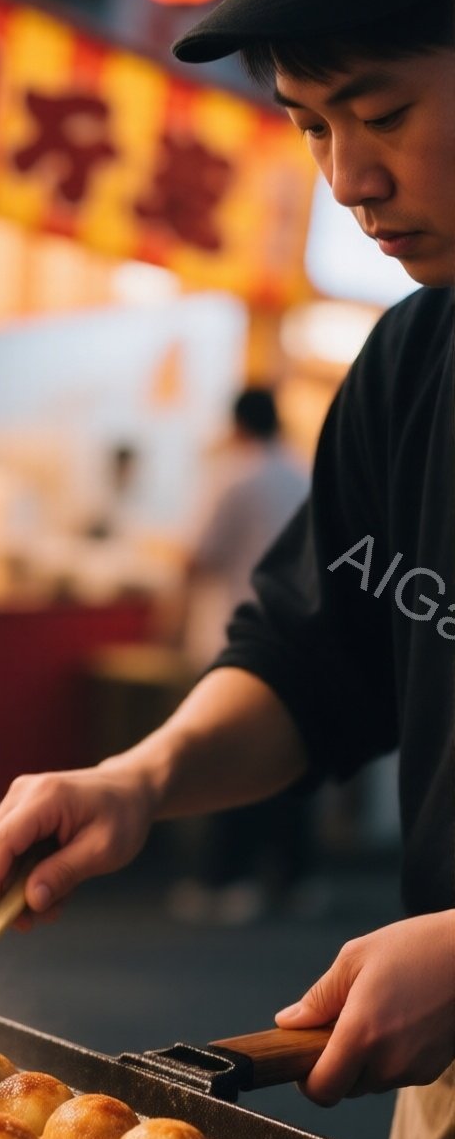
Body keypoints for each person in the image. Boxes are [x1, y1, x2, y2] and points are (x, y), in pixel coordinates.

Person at [0, 0, 455, 1139]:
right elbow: (314, 661)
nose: (349, 181)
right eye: (313, 127)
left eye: (380, 111)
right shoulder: (416, 363)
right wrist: (140, 775)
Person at [171, 388, 312, 923]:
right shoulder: (302, 473)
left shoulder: (232, 475)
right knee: (296, 756)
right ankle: (295, 877)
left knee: (227, 755)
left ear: (236, 425)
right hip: (302, 633)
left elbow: (196, 555)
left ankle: (229, 878)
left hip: (238, 634)